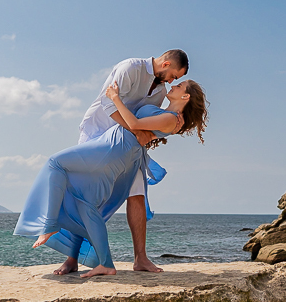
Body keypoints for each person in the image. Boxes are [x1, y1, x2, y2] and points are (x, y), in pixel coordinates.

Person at [13, 78, 208, 278]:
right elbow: (142, 131)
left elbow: (133, 123)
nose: (173, 86)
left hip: (115, 148)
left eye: (179, 86)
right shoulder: (170, 117)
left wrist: (115, 97)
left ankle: (50, 224)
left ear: (185, 96)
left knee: (55, 163)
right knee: (86, 204)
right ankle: (105, 263)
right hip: (117, 145)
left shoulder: (171, 118)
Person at [55, 50, 189, 275]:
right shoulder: (130, 68)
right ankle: (72, 258)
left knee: (137, 194)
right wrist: (136, 130)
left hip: (127, 146)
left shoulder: (160, 91)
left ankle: (141, 259)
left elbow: (149, 123)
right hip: (97, 134)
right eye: (174, 76)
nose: (172, 81)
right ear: (166, 64)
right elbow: (110, 107)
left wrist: (174, 124)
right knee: (86, 195)